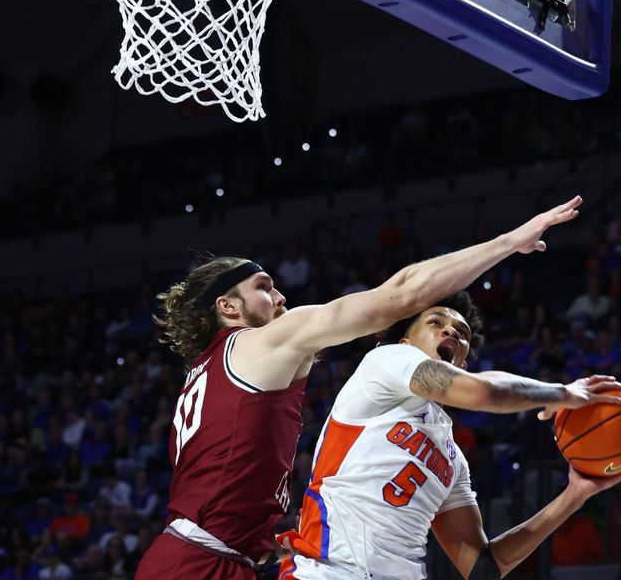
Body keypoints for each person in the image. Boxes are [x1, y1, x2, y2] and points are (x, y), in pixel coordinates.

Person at [135, 196, 587, 580]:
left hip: (218, 556)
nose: (281, 299)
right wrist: (511, 242)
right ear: (227, 305)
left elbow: (480, 564)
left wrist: (577, 491)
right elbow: (403, 295)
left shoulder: (215, 370)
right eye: (264, 288)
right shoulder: (266, 343)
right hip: (206, 559)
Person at [277, 292, 621, 580]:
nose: (450, 331)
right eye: (436, 322)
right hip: (325, 573)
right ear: (404, 342)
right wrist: (562, 392)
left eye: (461, 333)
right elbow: (484, 393)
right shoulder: (383, 365)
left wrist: (576, 494)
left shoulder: (453, 460)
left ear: (463, 363)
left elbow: (483, 567)